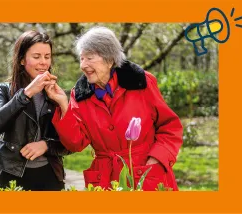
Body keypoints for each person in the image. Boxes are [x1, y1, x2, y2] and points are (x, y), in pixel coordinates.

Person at [45, 26, 183, 191]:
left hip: (146, 174)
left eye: (89, 58)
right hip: (106, 179)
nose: (83, 65)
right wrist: (63, 105)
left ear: (110, 59)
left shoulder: (141, 82)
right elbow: (76, 143)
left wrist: (157, 159)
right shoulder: (80, 94)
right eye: (81, 59)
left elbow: (170, 126)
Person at [0, 30, 71, 191]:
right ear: (21, 60)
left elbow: (72, 143)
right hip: (13, 175)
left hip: (51, 175)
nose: (43, 62)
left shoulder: (56, 93)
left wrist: (47, 145)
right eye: (36, 56)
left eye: (47, 57)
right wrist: (27, 93)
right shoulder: (5, 90)